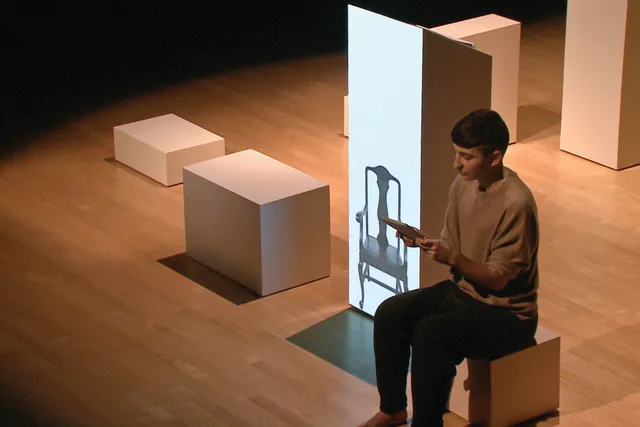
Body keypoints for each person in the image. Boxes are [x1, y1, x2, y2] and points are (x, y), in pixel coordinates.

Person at [358, 109, 540, 427]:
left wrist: (453, 258)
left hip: (506, 314)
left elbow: (498, 280)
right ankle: (393, 408)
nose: (457, 163)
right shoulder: (462, 184)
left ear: (495, 157)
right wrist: (424, 243)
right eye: (456, 153)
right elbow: (454, 245)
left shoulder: (516, 204)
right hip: (463, 291)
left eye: (466, 156)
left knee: (431, 335)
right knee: (390, 313)